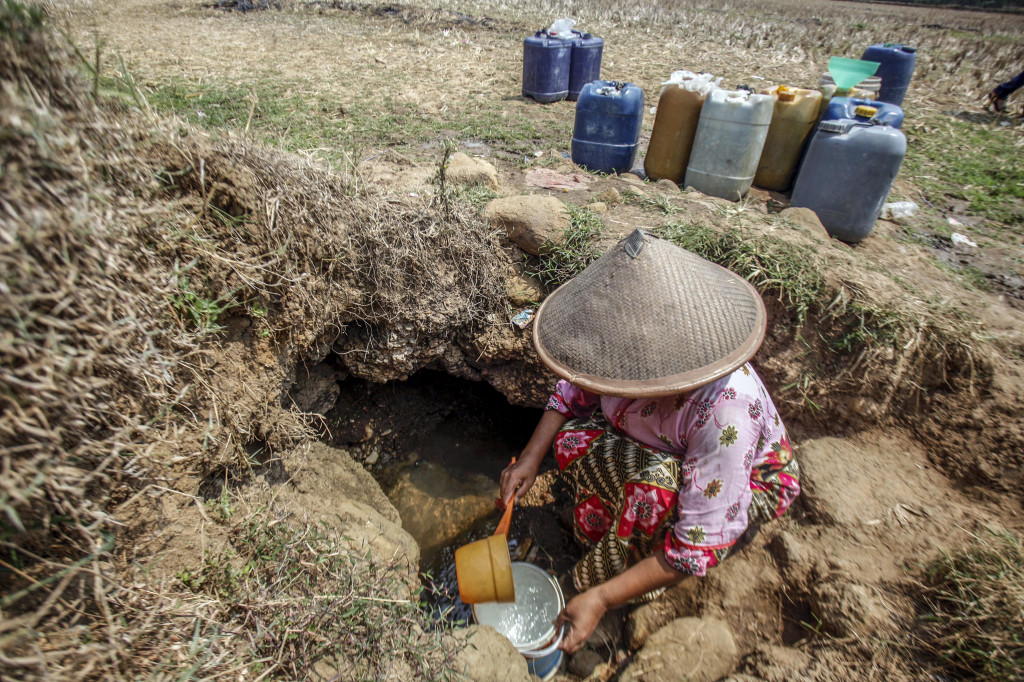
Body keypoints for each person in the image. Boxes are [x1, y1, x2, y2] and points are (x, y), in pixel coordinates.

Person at [499, 229, 800, 655]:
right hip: (664, 442)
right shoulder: (620, 354)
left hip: (745, 482)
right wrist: (530, 459)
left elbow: (695, 545)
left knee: (650, 491)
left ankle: (617, 576)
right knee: (573, 440)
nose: (609, 374)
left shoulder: (725, 414)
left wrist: (601, 599)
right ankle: (608, 530)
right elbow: (573, 390)